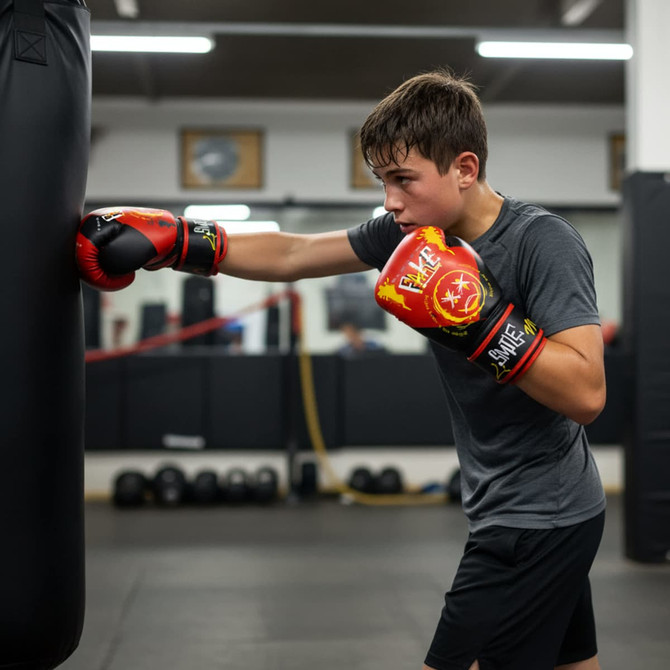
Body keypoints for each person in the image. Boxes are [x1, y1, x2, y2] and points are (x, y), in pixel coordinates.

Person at [76, 68, 607, 670]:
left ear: (465, 167)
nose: (391, 202)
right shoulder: (415, 234)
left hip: (536, 518)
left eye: (404, 181)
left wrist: (482, 322)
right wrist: (182, 241)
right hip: (534, 507)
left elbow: (587, 393)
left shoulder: (543, 243)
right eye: (383, 182)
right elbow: (296, 253)